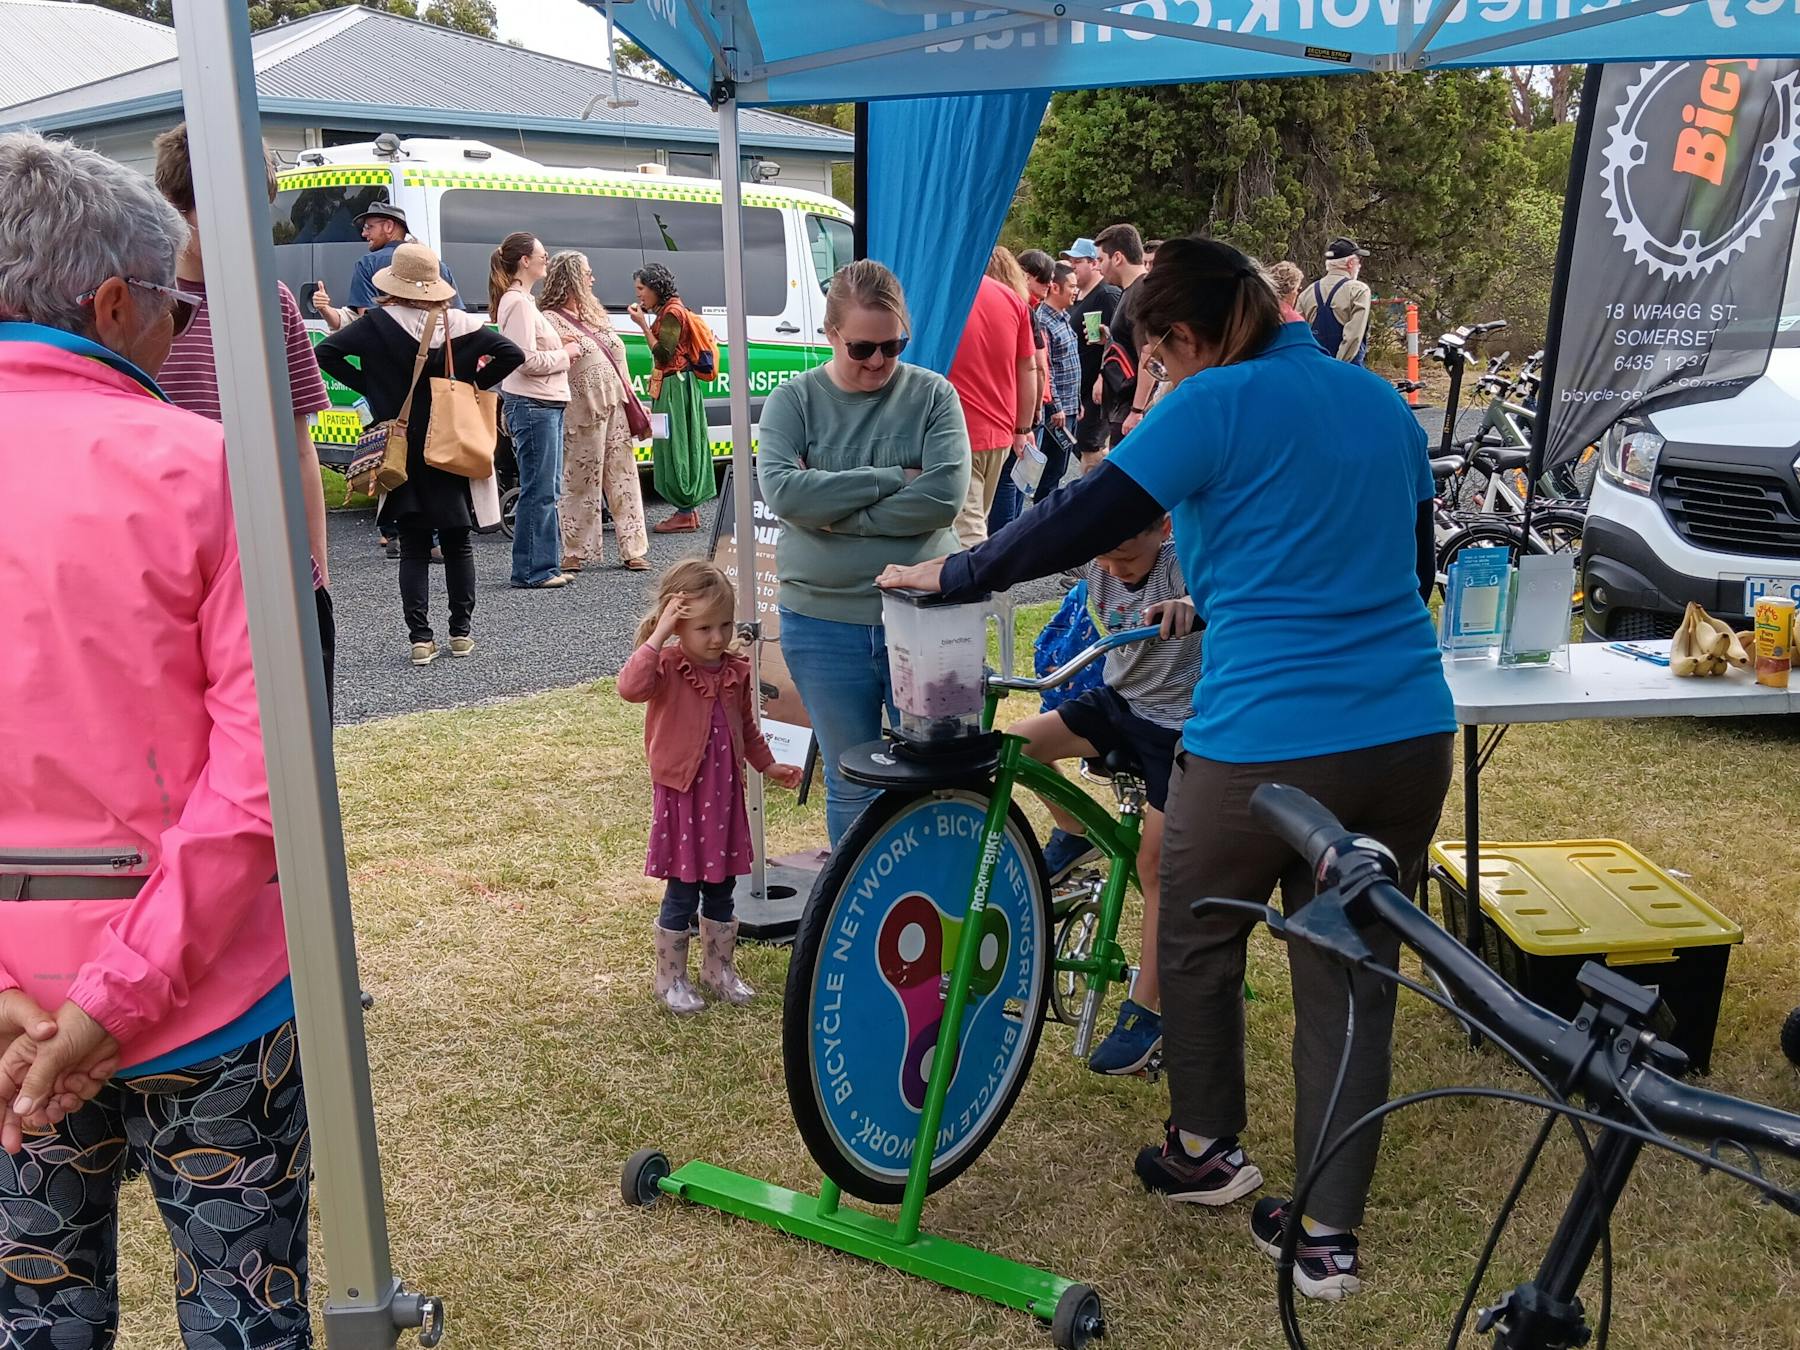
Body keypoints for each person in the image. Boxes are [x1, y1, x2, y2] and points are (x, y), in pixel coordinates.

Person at [876, 236, 1454, 1302]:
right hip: (1411, 733)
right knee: (1353, 973)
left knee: (1192, 929)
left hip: (1266, 738)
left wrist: (952, 574)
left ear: (1186, 336)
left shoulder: (1214, 400)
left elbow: (1075, 519)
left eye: (1163, 359)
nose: (1164, 379)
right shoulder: (1376, 400)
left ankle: (1205, 1150)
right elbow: (1416, 568)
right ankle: (1326, 1240)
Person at [0, 129, 315, 1346]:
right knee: (246, 1312)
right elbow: (261, 769)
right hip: (210, 988)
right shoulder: (208, 467)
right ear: (112, 301)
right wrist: (123, 992)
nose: (184, 333)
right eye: (180, 310)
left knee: (34, 1315)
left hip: (19, 1009)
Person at [757, 259, 970, 846]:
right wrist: (894, 477)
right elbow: (782, 493)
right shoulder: (792, 402)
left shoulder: (933, 394)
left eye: (893, 345)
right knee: (852, 780)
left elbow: (944, 497)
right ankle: (864, 916)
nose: (878, 360)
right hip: (822, 622)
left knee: (938, 774)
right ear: (830, 335)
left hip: (927, 616)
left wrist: (830, 510)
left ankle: (937, 905)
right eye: (862, 348)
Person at [151, 121, 339, 716]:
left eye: (253, 209)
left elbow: (299, 447)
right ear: (179, 206)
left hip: (271, 562)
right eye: (220, 209)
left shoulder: (271, 300)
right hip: (170, 568)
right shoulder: (137, 303)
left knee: (297, 739)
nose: (241, 227)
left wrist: (318, 573)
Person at [1013, 516, 1201, 1076]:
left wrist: (1192, 601)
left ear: (1161, 527)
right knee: (1009, 749)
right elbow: (1040, 541)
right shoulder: (1098, 559)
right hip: (1118, 705)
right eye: (1106, 557)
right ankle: (1073, 829)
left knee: (1156, 863)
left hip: (1179, 726)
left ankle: (1147, 1009)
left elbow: (1228, 583)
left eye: (1127, 555)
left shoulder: (1181, 560)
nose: (1116, 568)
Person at [318, 243, 525, 663]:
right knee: (457, 542)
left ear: (394, 283)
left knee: (413, 546)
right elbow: (512, 353)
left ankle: (420, 638)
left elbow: (326, 352)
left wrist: (372, 389)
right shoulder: (461, 323)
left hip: (402, 446)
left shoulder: (375, 323)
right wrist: (471, 385)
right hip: (452, 442)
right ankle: (461, 633)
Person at [618, 561, 805, 1013]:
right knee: (683, 889)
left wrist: (769, 765)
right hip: (684, 797)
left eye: (724, 625)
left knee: (723, 885)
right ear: (677, 623)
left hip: (723, 799)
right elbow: (630, 687)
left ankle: (718, 969)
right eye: (703, 628)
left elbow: (747, 727)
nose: (717, 637)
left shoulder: (734, 671)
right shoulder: (665, 664)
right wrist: (658, 635)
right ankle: (670, 979)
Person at [540, 250, 651, 572]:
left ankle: (634, 549)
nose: (593, 278)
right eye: (587, 273)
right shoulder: (549, 319)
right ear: (573, 277)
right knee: (579, 481)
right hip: (579, 411)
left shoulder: (595, 315)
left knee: (625, 478)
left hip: (615, 405)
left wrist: (633, 399)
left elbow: (619, 361)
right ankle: (575, 550)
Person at [493, 231, 580, 589]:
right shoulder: (517, 303)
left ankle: (544, 564)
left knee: (547, 487)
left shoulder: (523, 301)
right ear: (524, 261)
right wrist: (566, 354)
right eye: (542, 254)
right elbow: (523, 359)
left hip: (543, 402)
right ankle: (532, 570)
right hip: (533, 402)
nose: (547, 258)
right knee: (539, 488)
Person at [947, 253, 1035, 547]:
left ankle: (980, 590)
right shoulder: (1012, 299)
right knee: (974, 522)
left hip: (955, 433)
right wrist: (1023, 429)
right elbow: (1029, 367)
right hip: (999, 435)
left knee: (967, 536)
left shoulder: (944, 291)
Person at [629, 262, 715, 534]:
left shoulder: (672, 314)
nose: (639, 295)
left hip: (675, 385)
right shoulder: (670, 310)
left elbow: (664, 355)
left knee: (675, 442)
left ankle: (685, 510)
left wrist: (643, 325)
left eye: (642, 289)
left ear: (656, 287)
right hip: (674, 385)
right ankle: (687, 509)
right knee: (675, 441)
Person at [987, 246, 1054, 535]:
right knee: (1018, 481)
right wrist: (1034, 414)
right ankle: (1010, 537)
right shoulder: (1022, 308)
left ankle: (1000, 540)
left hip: (1005, 413)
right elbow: (1036, 366)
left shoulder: (1008, 307)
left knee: (1004, 483)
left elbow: (1036, 366)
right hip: (1020, 412)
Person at [314, 201, 460, 331]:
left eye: (369, 227)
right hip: (435, 356)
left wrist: (324, 308)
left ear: (389, 226)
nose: (364, 233)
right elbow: (455, 316)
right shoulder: (437, 265)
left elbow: (367, 322)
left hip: (385, 357)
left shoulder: (367, 264)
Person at [1063, 237, 1121, 467]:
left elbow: (1119, 341)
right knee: (1079, 445)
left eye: (1078, 261)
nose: (1073, 266)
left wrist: (1103, 376)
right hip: (1078, 388)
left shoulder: (1107, 295)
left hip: (1096, 389)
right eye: (1071, 261)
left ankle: (1103, 496)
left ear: (1093, 263)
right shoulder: (1078, 296)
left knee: (1090, 446)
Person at [1093, 222, 1151, 442]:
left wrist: (1137, 410)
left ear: (1117, 258)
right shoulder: (1129, 290)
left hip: (1130, 409)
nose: (1097, 267)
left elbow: (1148, 352)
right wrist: (1109, 340)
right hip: (1120, 405)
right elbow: (1131, 341)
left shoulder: (1141, 290)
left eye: (1100, 260)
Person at [1298, 237, 1373, 366]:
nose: (1359, 266)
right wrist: (1337, 367)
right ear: (1350, 263)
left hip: (1316, 369)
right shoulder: (1358, 291)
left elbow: (1299, 335)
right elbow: (1353, 337)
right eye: (1358, 261)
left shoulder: (1307, 293)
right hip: (1347, 370)